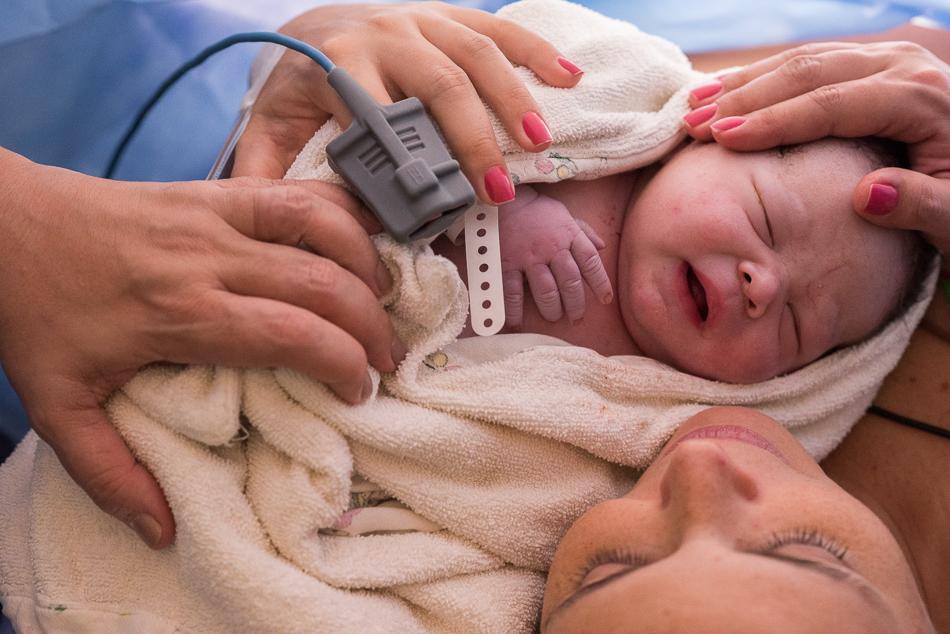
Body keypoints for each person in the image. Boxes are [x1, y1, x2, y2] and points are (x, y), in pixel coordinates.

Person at [448, 136, 932, 383]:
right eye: (766, 220)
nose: (763, 287)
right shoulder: (587, 157)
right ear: (704, 142)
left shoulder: (645, 416)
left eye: (797, 324)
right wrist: (499, 203)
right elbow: (434, 120)